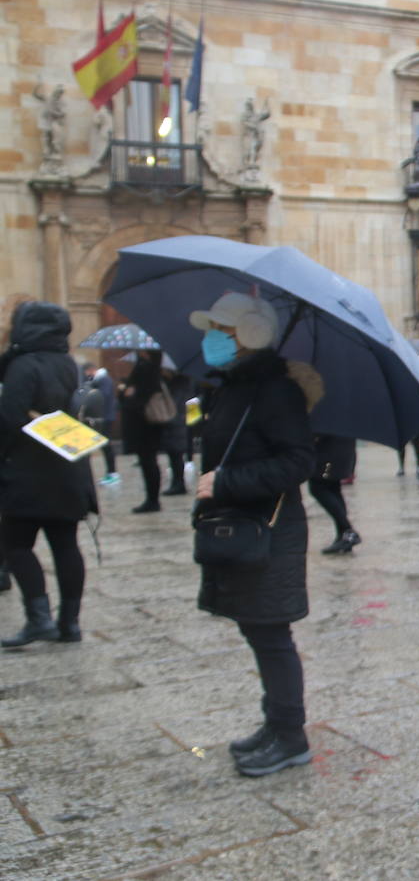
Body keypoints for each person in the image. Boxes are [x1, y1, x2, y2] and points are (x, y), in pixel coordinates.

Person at [190, 292, 319, 777]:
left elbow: (297, 461)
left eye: (221, 330)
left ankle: (290, 735)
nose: (212, 338)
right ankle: (276, 725)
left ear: (250, 335)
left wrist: (225, 483)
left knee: (270, 633)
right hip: (241, 526)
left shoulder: (275, 391)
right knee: (256, 627)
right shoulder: (234, 386)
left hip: (269, 531)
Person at [0, 302, 98, 646]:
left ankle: (39, 618)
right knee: (66, 544)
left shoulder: (22, 365)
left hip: (27, 473)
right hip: (67, 469)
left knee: (16, 545)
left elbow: (10, 418)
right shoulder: (67, 364)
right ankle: (69, 624)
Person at [119, 350, 188, 512]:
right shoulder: (155, 368)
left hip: (145, 424)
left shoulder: (146, 369)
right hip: (151, 425)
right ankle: (153, 498)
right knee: (149, 461)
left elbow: (138, 397)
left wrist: (125, 393)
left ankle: (152, 500)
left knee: (148, 461)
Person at [309, 435, 360, 554]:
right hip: (340, 448)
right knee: (333, 489)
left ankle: (347, 530)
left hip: (329, 451)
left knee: (318, 488)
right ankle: (343, 535)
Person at [80, 362, 119, 485]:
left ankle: (112, 473)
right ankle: (111, 473)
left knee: (107, 445)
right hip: (103, 417)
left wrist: (91, 389)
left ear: (91, 370)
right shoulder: (100, 380)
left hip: (105, 417)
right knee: (104, 445)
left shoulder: (103, 380)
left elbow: (102, 396)